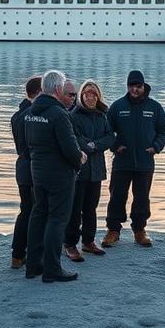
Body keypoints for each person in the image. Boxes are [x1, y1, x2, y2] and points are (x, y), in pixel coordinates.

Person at [24, 69, 86, 283]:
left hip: (37, 171)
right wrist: (81, 158)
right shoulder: (58, 114)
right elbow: (70, 148)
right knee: (57, 220)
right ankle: (52, 268)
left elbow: (27, 143)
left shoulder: (31, 111)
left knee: (38, 215)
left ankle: (32, 265)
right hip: (59, 174)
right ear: (58, 89)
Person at [103, 69, 165, 248]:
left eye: (138, 86)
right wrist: (115, 146)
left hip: (145, 161)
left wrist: (156, 147)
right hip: (121, 161)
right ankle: (113, 230)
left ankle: (139, 230)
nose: (135, 89)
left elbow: (164, 129)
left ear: (144, 86)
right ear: (128, 86)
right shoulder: (118, 106)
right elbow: (106, 131)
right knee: (117, 195)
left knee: (142, 197)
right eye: (132, 86)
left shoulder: (154, 107)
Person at [64, 80, 115, 261]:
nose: (91, 97)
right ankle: (70, 244)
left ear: (98, 96)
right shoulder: (73, 114)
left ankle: (88, 241)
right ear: (81, 95)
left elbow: (110, 137)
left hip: (97, 170)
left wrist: (94, 145)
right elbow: (74, 138)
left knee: (91, 208)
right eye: (87, 94)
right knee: (74, 208)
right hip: (79, 170)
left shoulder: (102, 115)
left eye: (94, 94)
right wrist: (90, 146)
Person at [9, 75, 41, 269]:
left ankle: (18, 253)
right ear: (38, 93)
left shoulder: (16, 115)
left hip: (22, 167)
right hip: (33, 168)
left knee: (26, 210)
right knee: (33, 211)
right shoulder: (32, 114)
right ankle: (23, 252)